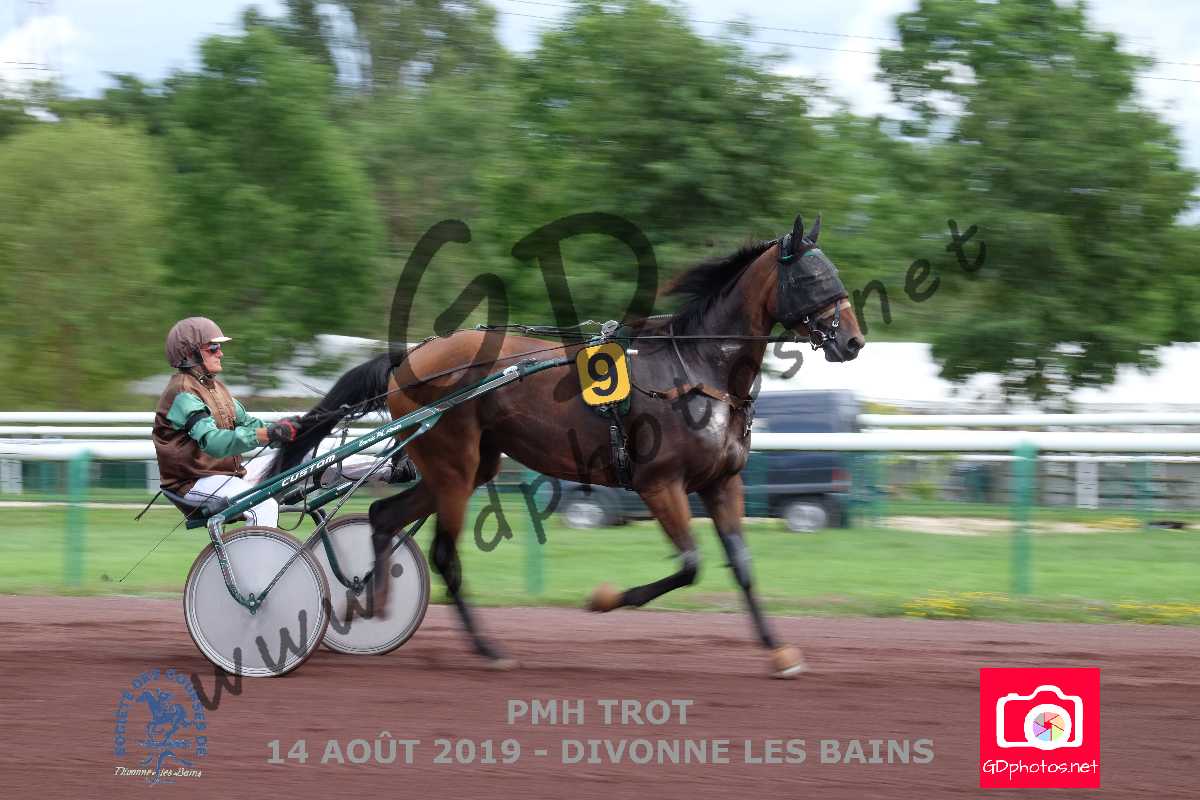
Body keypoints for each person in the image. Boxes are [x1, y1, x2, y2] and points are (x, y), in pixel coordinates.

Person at [152, 317, 299, 527]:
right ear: (189, 353)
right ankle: (259, 550)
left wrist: (289, 430)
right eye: (213, 348)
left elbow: (248, 423)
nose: (220, 353)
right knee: (263, 506)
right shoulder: (182, 393)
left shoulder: (216, 388)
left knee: (302, 457)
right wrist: (267, 434)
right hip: (193, 483)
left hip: (222, 476)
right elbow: (213, 442)